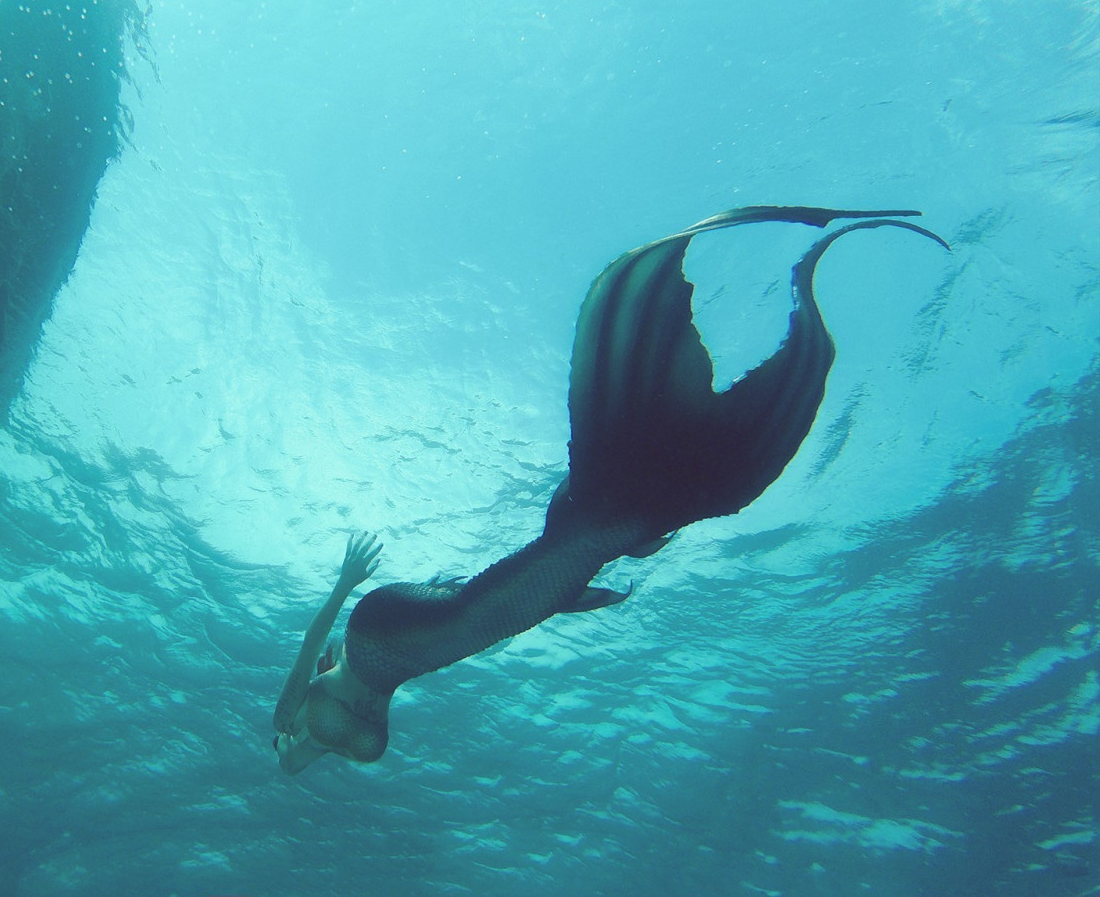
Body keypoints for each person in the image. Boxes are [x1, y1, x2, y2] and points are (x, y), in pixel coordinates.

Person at [269, 207, 946, 774]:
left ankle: (599, 529)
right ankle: (593, 536)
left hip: (374, 637)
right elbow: (481, 606)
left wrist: (340, 582)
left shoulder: (290, 726)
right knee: (552, 565)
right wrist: (558, 595)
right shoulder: (323, 740)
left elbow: (306, 663)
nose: (339, 734)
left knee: (537, 572)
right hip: (425, 636)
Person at [271, 532, 386, 774]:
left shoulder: (285, 723)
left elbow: (311, 646)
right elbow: (311, 647)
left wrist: (345, 582)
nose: (277, 749)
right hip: (375, 656)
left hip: (366, 652)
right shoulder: (294, 724)